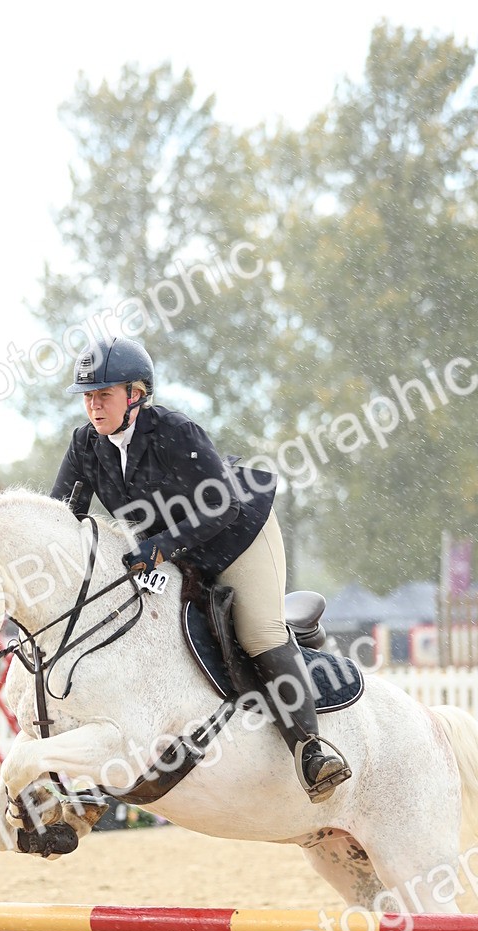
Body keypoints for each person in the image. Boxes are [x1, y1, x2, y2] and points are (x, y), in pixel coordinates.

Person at [50, 335, 351, 803]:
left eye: (104, 394)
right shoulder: (86, 445)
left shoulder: (175, 431)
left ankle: (312, 751)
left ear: (136, 394)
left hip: (237, 534)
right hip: (172, 550)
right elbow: (63, 517)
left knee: (258, 632)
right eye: (88, 396)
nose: (93, 406)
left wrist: (162, 547)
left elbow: (222, 507)